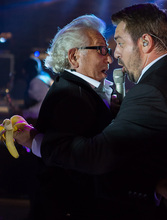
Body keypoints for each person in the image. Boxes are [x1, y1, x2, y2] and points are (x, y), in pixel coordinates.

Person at [14, 3, 167, 220]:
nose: (115, 55)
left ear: (145, 42)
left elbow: (102, 155)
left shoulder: (151, 89)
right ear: (74, 57)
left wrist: (37, 141)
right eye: (103, 49)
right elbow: (76, 173)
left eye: (119, 43)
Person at [17, 15, 122, 220]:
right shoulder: (71, 95)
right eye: (101, 49)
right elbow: (67, 156)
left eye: (108, 51)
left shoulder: (81, 90)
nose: (109, 58)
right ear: (74, 57)